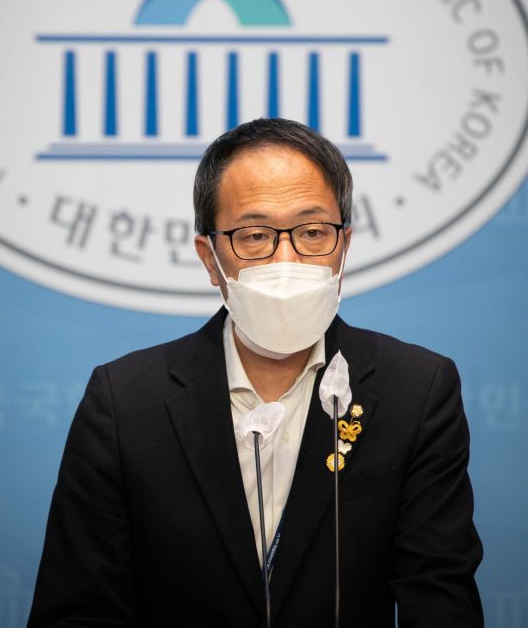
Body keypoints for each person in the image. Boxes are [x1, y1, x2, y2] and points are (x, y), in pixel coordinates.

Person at [27, 118, 484, 628]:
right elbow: (77, 611)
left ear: (344, 246)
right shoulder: (124, 403)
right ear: (210, 258)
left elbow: (441, 600)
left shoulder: (416, 390)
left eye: (313, 233)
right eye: (255, 236)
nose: (286, 260)